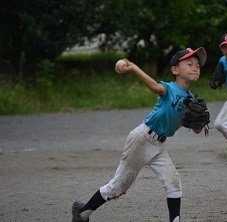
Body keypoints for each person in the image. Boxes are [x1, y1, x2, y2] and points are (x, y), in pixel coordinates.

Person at [71, 47, 207, 222]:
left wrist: (201, 119)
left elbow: (196, 130)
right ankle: (82, 214)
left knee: (173, 181)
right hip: (142, 139)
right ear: (175, 70)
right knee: (117, 187)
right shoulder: (170, 89)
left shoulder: (192, 100)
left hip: (158, 145)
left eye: (197, 65)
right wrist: (134, 68)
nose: (195, 67)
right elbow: (154, 86)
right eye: (189, 64)